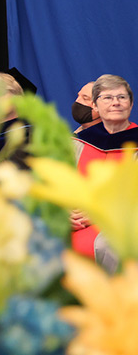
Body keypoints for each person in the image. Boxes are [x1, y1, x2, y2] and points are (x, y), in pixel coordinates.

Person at [70, 75, 138, 261]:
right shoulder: (76, 143)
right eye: (107, 98)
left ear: (131, 105)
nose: (115, 103)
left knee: (108, 244)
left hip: (121, 221)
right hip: (75, 220)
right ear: (95, 106)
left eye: (122, 97)